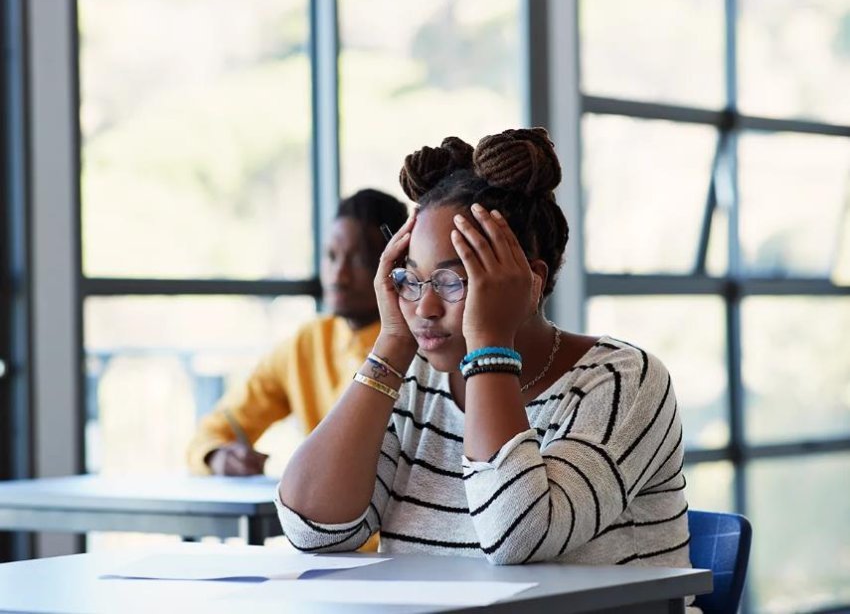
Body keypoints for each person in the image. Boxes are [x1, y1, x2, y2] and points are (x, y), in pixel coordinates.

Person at [276, 129, 692, 574]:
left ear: (528, 282)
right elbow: (313, 528)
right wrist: (391, 345)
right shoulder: (417, 380)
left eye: (453, 281)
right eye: (412, 280)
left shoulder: (622, 380)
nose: (425, 307)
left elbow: (518, 538)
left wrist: (490, 346)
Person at [186, 188, 409, 476]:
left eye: (358, 261)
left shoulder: (420, 345)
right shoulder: (307, 343)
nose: (337, 275)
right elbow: (211, 432)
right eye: (331, 256)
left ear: (394, 264)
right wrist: (217, 456)